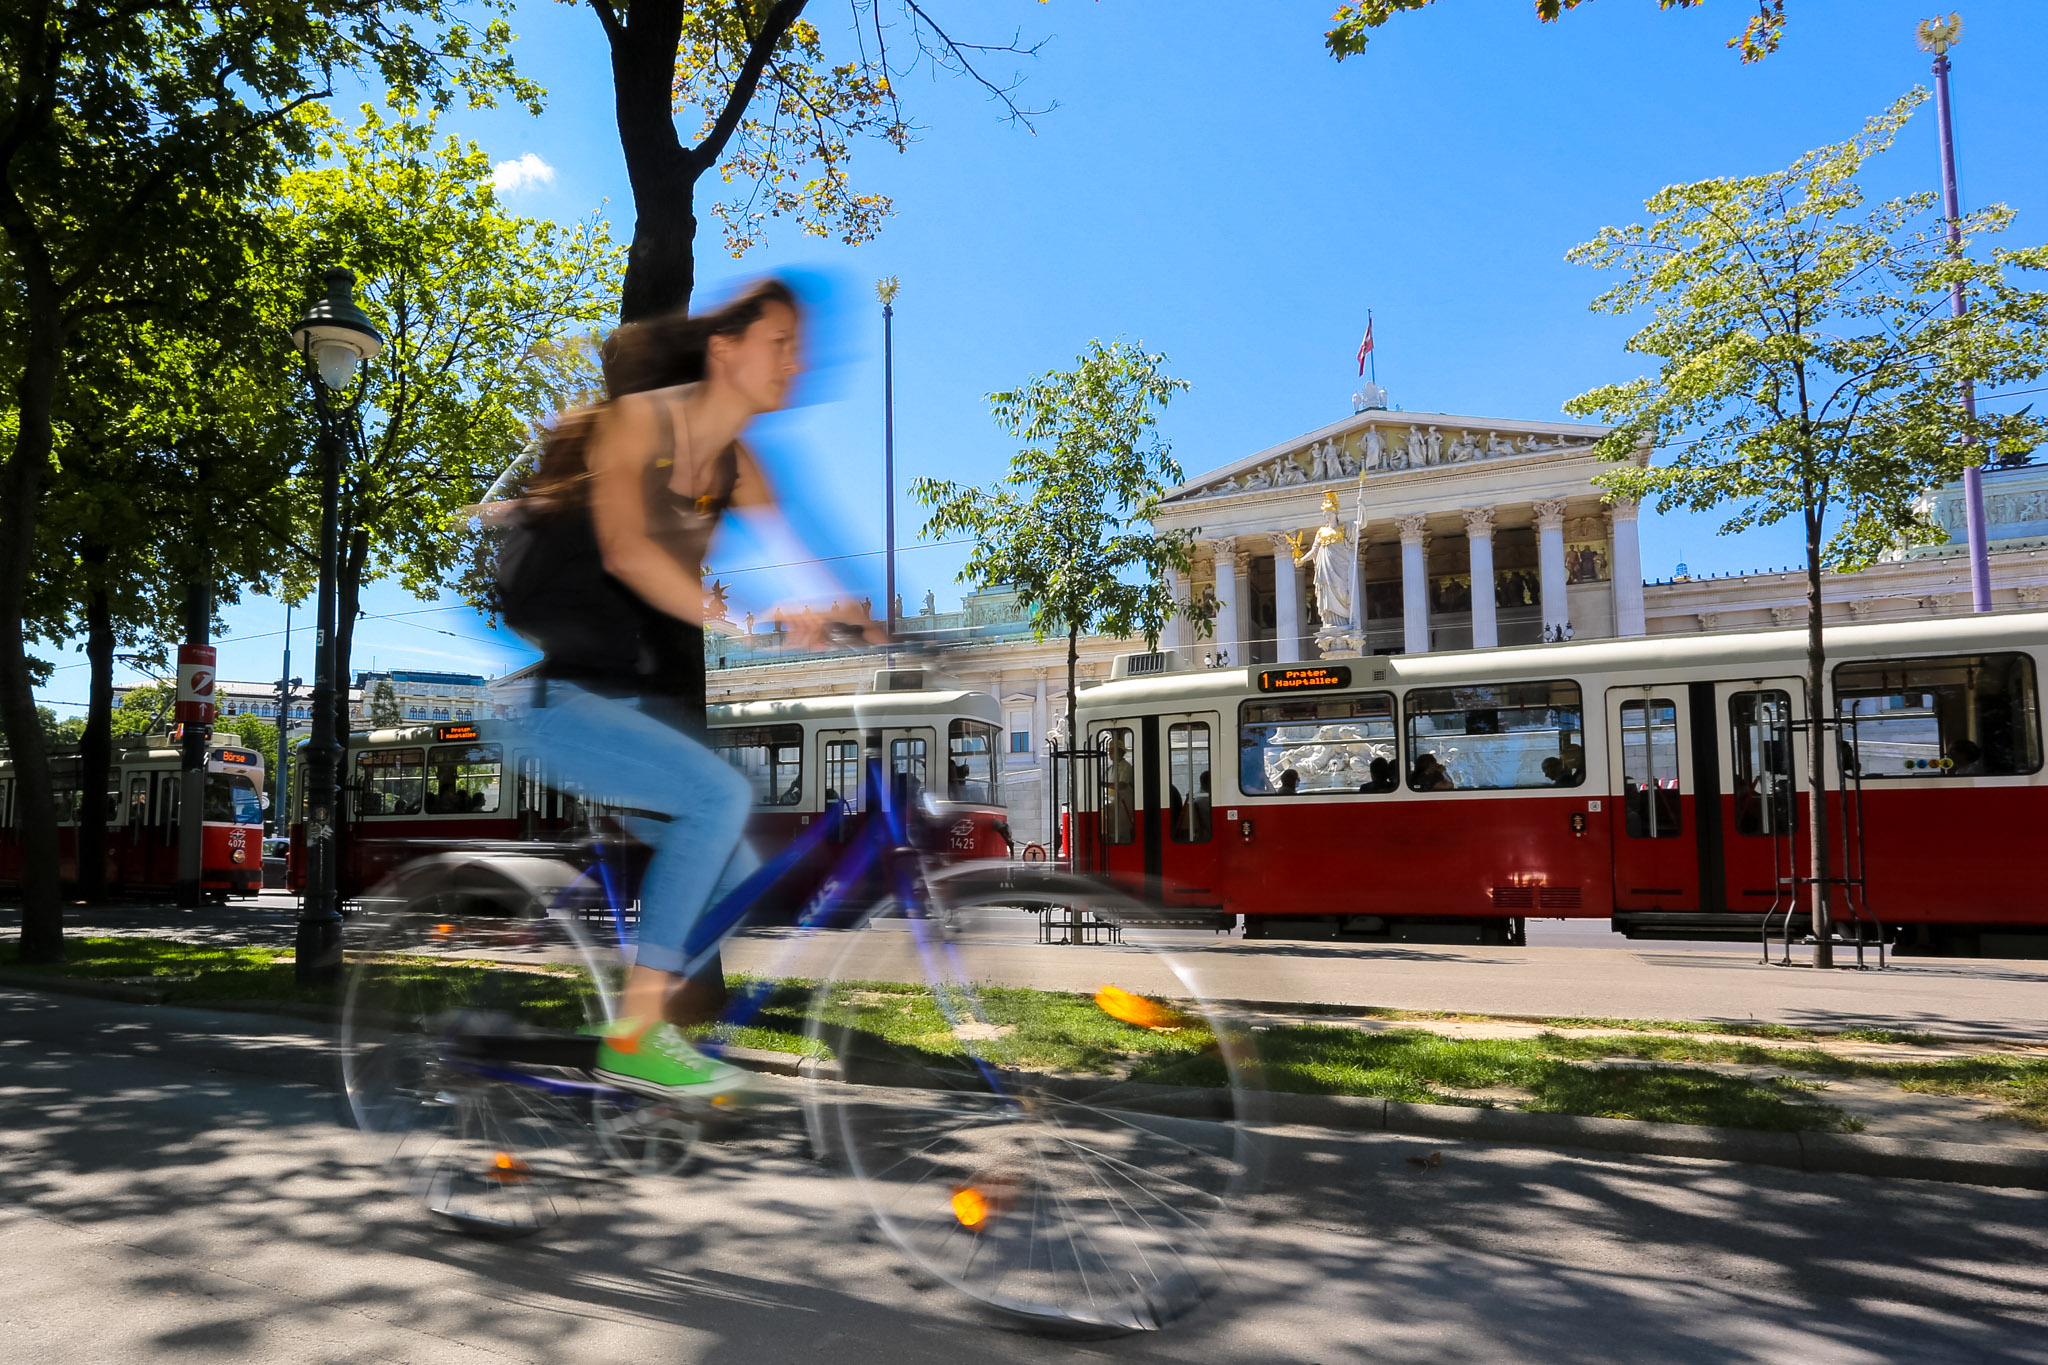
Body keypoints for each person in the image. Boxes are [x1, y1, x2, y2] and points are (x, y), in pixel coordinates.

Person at [496, 278, 873, 1100]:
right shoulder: (644, 419)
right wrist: (747, 626)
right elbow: (631, 551)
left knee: (736, 868)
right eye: (781, 344)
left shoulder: (743, 464)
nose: (796, 363)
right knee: (718, 797)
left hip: (625, 705)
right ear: (725, 348)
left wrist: (865, 621)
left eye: (800, 349)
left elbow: (813, 558)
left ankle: (633, 1031)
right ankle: (635, 1035)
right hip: (553, 703)